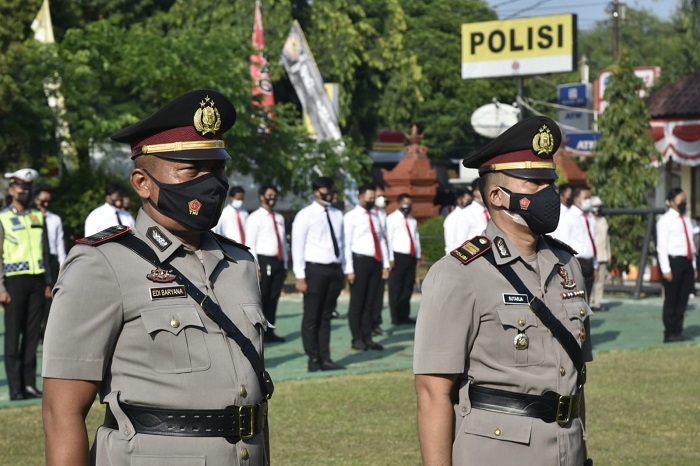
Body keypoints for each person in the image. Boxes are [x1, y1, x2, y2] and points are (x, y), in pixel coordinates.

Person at [42, 90, 271, 465]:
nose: (210, 183)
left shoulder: (240, 263)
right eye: (191, 170)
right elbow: (61, 412)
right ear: (142, 182)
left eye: (216, 168)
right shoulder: (101, 264)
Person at [414, 116, 593, 466]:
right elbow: (432, 393)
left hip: (566, 450)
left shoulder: (567, 266)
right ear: (496, 195)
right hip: (497, 453)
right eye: (535, 183)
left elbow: (574, 382)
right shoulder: (457, 275)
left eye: (550, 181)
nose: (549, 194)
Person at [0, 168, 52, 401]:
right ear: (11, 190)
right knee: (13, 336)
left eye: (28, 189)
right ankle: (15, 387)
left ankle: (30, 384)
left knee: (32, 337)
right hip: (13, 282)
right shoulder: (2, 217)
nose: (25, 192)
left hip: (37, 281)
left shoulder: (37, 216)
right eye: (21, 188)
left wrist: (48, 282)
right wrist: (1, 287)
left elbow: (46, 251)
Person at [291, 176, 345, 372]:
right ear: (316, 192)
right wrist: (300, 275)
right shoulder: (305, 215)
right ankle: (313, 359)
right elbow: (297, 246)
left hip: (334, 269)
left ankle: (325, 357)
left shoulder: (338, 215)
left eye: (330, 190)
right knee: (311, 317)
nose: (328, 194)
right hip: (314, 269)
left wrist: (345, 270)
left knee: (326, 316)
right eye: (324, 190)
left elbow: (343, 244)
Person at [343, 184, 390, 351]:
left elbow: (382, 241)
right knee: (358, 303)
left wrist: (385, 264)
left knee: (371, 302)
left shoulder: (376, 216)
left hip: (375, 262)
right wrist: (349, 269)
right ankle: (357, 338)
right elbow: (346, 244)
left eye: (373, 198)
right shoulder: (351, 217)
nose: (371, 201)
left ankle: (368, 336)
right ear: (360, 197)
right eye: (368, 198)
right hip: (359, 262)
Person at [246, 185, 287, 343]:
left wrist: (284, 264)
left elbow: (283, 241)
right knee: (263, 297)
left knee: (274, 297)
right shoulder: (255, 218)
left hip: (278, 261)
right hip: (263, 260)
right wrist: (255, 265)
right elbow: (251, 242)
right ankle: (260, 332)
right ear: (262, 197)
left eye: (275, 195)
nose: (272, 198)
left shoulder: (279, 218)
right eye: (269, 195)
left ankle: (270, 330)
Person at [656, 187, 697, 343]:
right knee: (671, 299)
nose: (684, 203)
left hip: (686, 261)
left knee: (683, 298)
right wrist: (666, 269)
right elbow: (662, 247)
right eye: (681, 200)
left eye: (685, 200)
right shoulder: (665, 220)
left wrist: (693, 265)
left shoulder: (686, 219)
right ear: (672, 201)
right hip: (673, 262)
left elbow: (690, 244)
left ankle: (678, 330)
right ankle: (670, 331)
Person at [34, 187, 67, 336]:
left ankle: (49, 331)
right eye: (43, 200)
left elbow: (60, 245)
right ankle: (38, 328)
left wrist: (63, 267)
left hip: (53, 260)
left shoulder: (55, 219)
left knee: (52, 299)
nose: (46, 203)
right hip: (37, 259)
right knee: (38, 299)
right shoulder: (31, 218)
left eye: (48, 200)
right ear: (36, 200)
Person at [386, 193, 421, 325]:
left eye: (410, 204)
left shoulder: (412, 220)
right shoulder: (391, 219)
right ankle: (395, 316)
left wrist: (417, 255)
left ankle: (404, 315)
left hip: (410, 256)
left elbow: (415, 238)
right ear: (399, 203)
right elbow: (388, 239)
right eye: (405, 204)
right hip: (397, 255)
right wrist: (390, 258)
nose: (408, 207)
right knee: (396, 287)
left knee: (407, 287)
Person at [558, 185, 598, 297]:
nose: (588, 201)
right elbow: (564, 243)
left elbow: (592, 241)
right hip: (576, 263)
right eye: (586, 198)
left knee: (587, 299)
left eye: (589, 198)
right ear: (576, 199)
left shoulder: (589, 217)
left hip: (589, 263)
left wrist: (595, 265)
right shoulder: (568, 217)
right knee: (576, 298)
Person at [371, 185, 392, 336]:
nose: (381, 198)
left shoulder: (383, 213)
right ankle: (366, 326)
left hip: (382, 256)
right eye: (378, 195)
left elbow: (385, 239)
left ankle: (376, 323)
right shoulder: (369, 214)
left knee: (378, 294)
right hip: (369, 257)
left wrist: (388, 259)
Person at [590, 196, 610, 312]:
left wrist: (609, 254)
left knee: (601, 280)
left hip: (602, 254)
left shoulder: (603, 220)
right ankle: (590, 301)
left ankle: (598, 302)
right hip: (593, 255)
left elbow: (606, 239)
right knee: (592, 280)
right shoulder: (589, 219)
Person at [443, 187, 473, 254]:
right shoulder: (452, 218)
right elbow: (450, 243)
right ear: (459, 200)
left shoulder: (471, 215)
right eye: (467, 200)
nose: (469, 203)